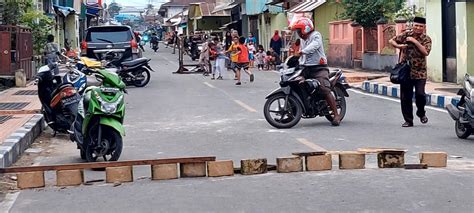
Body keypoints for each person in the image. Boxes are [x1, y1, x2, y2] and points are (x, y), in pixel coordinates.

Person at [291, 17, 341, 126]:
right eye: (297, 31)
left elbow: (314, 46)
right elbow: (302, 57)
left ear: (306, 28)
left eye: (299, 30)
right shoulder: (303, 40)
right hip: (305, 68)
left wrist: (301, 52)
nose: (298, 33)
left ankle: (336, 115)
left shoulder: (316, 36)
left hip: (319, 68)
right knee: (294, 83)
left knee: (324, 88)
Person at [389, 17, 432, 127]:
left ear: (424, 27)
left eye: (421, 26)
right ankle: (408, 120)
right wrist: (399, 46)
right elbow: (391, 40)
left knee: (420, 94)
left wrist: (414, 41)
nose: (418, 28)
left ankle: (421, 112)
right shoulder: (406, 35)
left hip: (420, 71)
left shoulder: (426, 39)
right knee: (406, 97)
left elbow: (425, 52)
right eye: (416, 25)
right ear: (413, 25)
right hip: (406, 71)